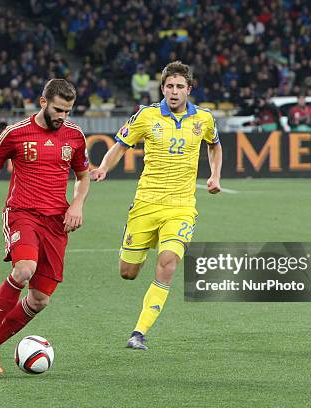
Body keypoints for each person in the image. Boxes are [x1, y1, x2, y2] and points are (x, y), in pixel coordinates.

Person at [0, 79, 90, 373]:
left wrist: (77, 205)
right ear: (42, 103)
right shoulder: (16, 133)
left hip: (56, 223)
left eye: (67, 111)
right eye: (57, 109)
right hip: (22, 213)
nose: (62, 116)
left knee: (39, 300)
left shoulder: (75, 136)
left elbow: (83, 176)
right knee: (23, 269)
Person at [90, 61, 222, 350]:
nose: (174, 92)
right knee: (128, 272)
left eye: (180, 87)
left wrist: (214, 175)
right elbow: (121, 145)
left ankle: (139, 332)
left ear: (189, 89)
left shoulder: (204, 118)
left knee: (168, 263)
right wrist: (102, 168)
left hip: (181, 207)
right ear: (163, 88)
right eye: (170, 86)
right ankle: (141, 244)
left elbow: (214, 144)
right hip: (146, 204)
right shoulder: (146, 116)